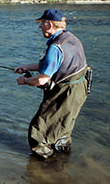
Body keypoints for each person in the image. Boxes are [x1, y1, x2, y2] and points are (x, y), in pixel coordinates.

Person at [14, 9, 89, 159]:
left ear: (49, 25)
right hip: (80, 89)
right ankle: (63, 160)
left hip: (65, 93)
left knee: (39, 131)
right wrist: (27, 67)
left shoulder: (55, 47)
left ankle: (45, 169)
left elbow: (42, 80)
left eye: (41, 23)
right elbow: (55, 65)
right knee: (63, 128)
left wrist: (26, 81)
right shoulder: (71, 38)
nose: (40, 27)